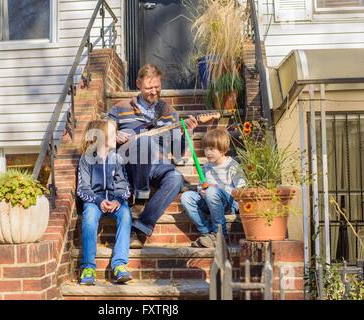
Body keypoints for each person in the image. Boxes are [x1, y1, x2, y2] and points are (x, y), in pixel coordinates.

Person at [106, 64, 198, 248]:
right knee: (145, 142)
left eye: (157, 87)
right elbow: (101, 137)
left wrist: (186, 134)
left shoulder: (169, 112)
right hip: (130, 167)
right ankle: (140, 196)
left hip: (158, 166)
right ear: (138, 84)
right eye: (149, 87)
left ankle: (141, 227)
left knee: (176, 178)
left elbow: (178, 154)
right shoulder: (120, 109)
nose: (154, 91)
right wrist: (113, 136)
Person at [76, 119, 132, 285]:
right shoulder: (86, 159)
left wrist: (119, 199)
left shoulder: (117, 158)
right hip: (94, 200)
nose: (117, 136)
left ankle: (120, 265)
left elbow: (124, 184)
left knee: (126, 215)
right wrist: (99, 200)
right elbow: (83, 188)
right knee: (90, 217)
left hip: (115, 199)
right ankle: (88, 267)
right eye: (113, 134)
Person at [180, 129, 246, 248]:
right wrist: (202, 191)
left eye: (212, 149)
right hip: (208, 200)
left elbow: (241, 190)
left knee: (212, 191)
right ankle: (207, 233)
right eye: (206, 149)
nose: (208, 153)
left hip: (228, 203)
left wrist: (216, 188)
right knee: (186, 197)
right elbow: (201, 185)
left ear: (223, 150)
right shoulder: (206, 166)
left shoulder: (232, 166)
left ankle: (220, 234)